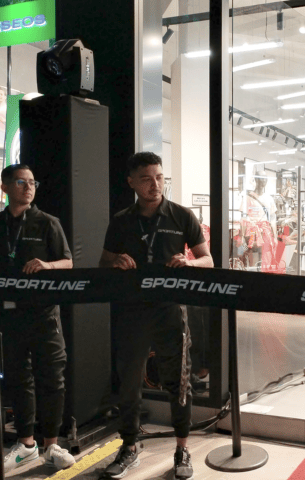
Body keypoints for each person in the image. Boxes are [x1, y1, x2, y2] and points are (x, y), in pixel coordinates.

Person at [99, 152, 213, 480]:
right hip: (131, 311)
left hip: (170, 311)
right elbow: (103, 263)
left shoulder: (180, 215)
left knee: (179, 381)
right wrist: (116, 262)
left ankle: (182, 448)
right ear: (132, 182)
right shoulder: (121, 220)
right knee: (129, 382)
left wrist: (190, 262)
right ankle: (130, 447)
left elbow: (208, 259)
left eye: (160, 177)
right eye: (147, 178)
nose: (155, 184)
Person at [0, 164, 77, 473]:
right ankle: (27, 444)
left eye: (32, 182)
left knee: (52, 377)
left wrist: (48, 265)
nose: (28, 187)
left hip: (43, 315)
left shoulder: (48, 223)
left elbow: (68, 262)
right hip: (6, 315)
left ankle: (52, 444)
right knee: (17, 378)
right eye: (20, 182)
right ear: (4, 187)